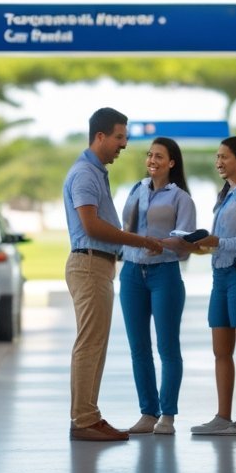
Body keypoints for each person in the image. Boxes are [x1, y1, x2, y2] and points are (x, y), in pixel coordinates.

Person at [64, 108, 163, 442]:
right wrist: (140, 240)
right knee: (90, 344)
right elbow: (91, 225)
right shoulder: (85, 174)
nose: (125, 144)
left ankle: (88, 416)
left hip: (99, 264)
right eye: (120, 137)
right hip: (89, 263)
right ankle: (84, 419)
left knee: (95, 344)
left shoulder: (96, 173)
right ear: (100, 136)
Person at [181, 136, 236, 436]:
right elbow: (224, 240)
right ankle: (222, 416)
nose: (219, 162)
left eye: (225, 157)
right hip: (219, 275)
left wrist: (219, 242)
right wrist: (203, 243)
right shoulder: (225, 195)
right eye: (217, 157)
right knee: (221, 350)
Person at [119, 138, 196, 436]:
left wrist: (160, 245)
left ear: (172, 162)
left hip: (165, 274)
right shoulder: (135, 190)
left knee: (167, 348)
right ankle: (147, 413)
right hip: (131, 274)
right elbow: (127, 231)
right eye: (149, 155)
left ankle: (168, 415)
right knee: (139, 348)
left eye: (159, 156)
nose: (152, 160)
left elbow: (187, 245)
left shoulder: (181, 198)